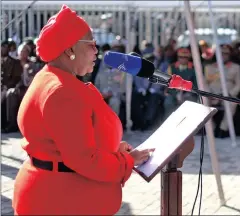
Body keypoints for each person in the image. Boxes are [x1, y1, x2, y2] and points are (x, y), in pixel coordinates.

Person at [13, 5, 153, 215]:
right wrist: (127, 161)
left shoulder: (50, 76)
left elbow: (67, 142)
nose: (97, 50)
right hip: (59, 203)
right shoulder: (62, 91)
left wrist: (112, 149)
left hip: (55, 195)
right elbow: (84, 159)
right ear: (70, 49)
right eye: (91, 44)